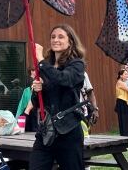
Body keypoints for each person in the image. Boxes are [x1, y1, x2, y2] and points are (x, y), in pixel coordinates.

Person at [29, 24, 86, 170]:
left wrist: (41, 60)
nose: (56, 40)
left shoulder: (76, 65)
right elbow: (36, 103)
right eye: (53, 37)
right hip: (46, 131)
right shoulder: (45, 66)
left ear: (70, 41)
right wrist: (37, 90)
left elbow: (63, 79)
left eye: (61, 37)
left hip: (68, 131)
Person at [16, 66, 39, 133]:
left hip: (29, 94)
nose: (35, 72)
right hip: (29, 95)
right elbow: (21, 106)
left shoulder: (33, 80)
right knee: (29, 109)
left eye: (35, 70)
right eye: (34, 70)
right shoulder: (27, 87)